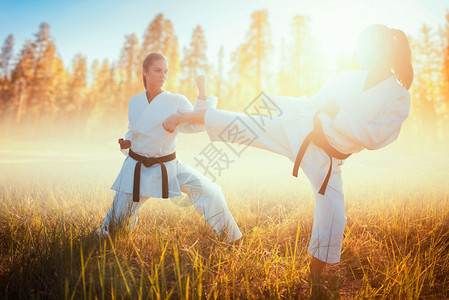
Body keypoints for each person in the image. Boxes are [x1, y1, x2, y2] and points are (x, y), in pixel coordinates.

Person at [161, 24, 413, 289]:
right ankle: (185, 117)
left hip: (328, 159)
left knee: (334, 215)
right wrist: (279, 102)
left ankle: (315, 280)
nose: (359, 54)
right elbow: (313, 103)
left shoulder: (398, 97)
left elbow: (375, 137)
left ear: (381, 50)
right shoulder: (348, 77)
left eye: (364, 48)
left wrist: (338, 115)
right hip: (301, 128)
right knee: (244, 125)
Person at [97, 53, 242, 243]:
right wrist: (127, 142)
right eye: (157, 70)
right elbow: (133, 130)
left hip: (168, 166)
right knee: (114, 225)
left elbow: (196, 124)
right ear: (145, 72)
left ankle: (231, 238)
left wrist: (201, 93)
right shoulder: (135, 102)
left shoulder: (177, 101)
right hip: (136, 168)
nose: (163, 75)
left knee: (210, 190)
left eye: (165, 71)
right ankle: (111, 237)